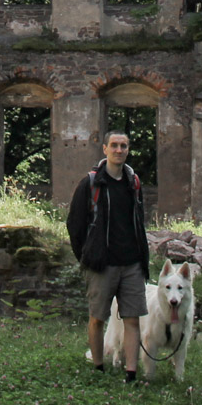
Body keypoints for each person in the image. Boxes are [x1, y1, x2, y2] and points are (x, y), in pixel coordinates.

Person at [67, 131, 148, 382]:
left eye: (123, 146)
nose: (119, 150)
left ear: (128, 149)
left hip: (131, 262)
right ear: (104, 149)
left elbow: (139, 222)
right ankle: (99, 368)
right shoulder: (90, 184)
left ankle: (131, 373)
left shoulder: (133, 183)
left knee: (132, 319)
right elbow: (75, 225)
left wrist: (142, 258)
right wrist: (87, 256)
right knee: (97, 318)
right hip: (102, 265)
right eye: (114, 145)